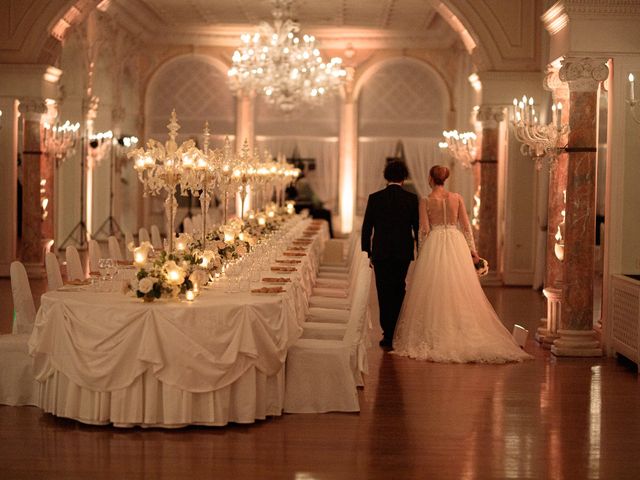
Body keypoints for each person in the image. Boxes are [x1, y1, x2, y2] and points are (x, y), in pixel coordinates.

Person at [392, 165, 532, 363]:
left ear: (431, 178)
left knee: (435, 288)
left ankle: (438, 329)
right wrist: (472, 251)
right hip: (455, 242)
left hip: (435, 242)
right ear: (445, 179)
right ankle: (461, 327)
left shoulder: (425, 200)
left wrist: (422, 252)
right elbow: (466, 227)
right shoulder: (456, 198)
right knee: (459, 286)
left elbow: (423, 229)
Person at [361, 161, 419, 348]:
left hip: (381, 252)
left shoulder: (375, 198)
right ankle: (397, 332)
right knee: (399, 289)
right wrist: (420, 249)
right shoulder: (411, 199)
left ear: (386, 177)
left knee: (383, 292)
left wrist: (366, 252)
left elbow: (367, 228)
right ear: (404, 177)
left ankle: (387, 334)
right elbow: (417, 228)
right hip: (403, 252)